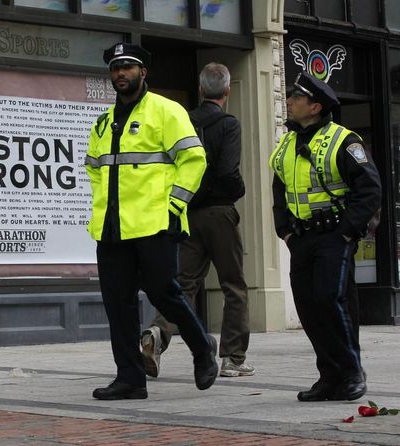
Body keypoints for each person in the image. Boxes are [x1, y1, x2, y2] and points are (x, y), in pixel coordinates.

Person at [85, 42, 218, 400]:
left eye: (127, 67)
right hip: (112, 229)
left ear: (143, 72)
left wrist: (174, 206)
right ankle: (130, 378)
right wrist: (102, 211)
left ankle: (202, 347)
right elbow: (94, 169)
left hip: (156, 223)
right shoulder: (103, 123)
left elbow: (193, 159)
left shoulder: (166, 111)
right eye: (115, 68)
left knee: (164, 292)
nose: (120, 74)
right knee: (118, 305)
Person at [269, 71, 381, 402]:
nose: (288, 102)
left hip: (334, 235)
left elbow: (370, 190)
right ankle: (329, 377)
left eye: (296, 98)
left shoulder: (344, 141)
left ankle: (351, 373)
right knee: (308, 307)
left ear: (315, 106)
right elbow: (279, 187)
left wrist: (347, 232)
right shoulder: (288, 143)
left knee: (329, 301)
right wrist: (284, 230)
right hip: (301, 239)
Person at [141, 62, 252, 379]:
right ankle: (232, 358)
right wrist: (237, 190)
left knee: (184, 284)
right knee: (233, 285)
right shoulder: (229, 124)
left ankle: (157, 335)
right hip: (219, 212)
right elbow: (229, 171)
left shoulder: (184, 122)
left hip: (186, 212)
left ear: (201, 89)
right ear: (227, 92)